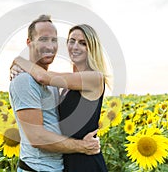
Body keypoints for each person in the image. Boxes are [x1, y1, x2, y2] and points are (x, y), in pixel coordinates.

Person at [13, 23, 110, 172]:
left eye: (83, 43)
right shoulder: (67, 85)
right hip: (68, 160)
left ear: (92, 48)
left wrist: (19, 61)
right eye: (72, 41)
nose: (75, 47)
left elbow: (42, 76)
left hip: (86, 161)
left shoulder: (95, 78)